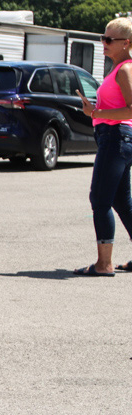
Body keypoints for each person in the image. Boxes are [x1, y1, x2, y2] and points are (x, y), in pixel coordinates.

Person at [72, 16, 132, 276]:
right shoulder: (118, 68)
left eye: (109, 39)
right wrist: (95, 111)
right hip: (116, 136)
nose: (103, 43)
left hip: (117, 136)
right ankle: (106, 261)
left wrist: (96, 115)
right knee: (121, 200)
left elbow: (131, 109)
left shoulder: (125, 69)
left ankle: (103, 264)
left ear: (126, 43)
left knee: (100, 199)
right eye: (102, 38)